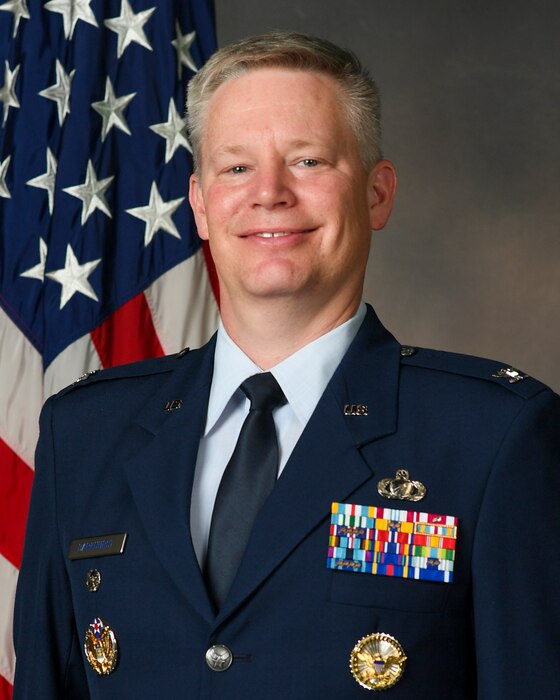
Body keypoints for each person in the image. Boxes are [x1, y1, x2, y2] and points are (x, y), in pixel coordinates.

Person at [13, 31, 560, 699]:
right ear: (201, 206)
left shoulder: (490, 438)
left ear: (377, 194)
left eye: (307, 160)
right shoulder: (86, 434)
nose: (269, 192)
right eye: (236, 167)